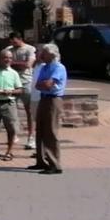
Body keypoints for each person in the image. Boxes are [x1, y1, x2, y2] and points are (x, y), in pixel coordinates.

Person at [30, 43, 67, 175]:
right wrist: (44, 84)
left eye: (43, 53)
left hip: (53, 100)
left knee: (51, 131)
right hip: (43, 98)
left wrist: (45, 84)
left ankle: (54, 164)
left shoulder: (58, 67)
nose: (41, 55)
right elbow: (38, 85)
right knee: (40, 129)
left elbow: (48, 84)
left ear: (51, 54)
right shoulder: (44, 68)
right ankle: (41, 161)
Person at [8, 32, 38, 150]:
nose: (13, 45)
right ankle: (14, 133)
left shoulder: (30, 49)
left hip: (26, 82)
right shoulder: (8, 49)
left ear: (20, 39)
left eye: (15, 42)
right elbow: (4, 64)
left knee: (29, 110)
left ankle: (31, 137)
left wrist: (12, 64)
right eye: (11, 42)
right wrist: (14, 64)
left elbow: (28, 65)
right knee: (10, 110)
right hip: (12, 83)